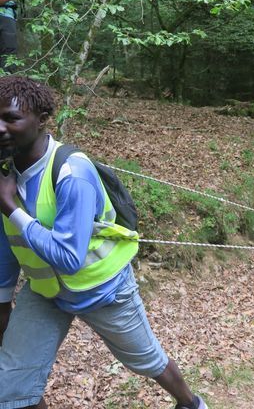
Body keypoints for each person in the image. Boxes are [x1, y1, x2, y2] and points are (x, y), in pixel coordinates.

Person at [0, 76, 207, 409]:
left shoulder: (71, 172)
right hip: (45, 293)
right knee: (11, 385)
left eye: (11, 118)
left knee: (147, 361)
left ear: (41, 120)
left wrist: (11, 207)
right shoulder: (6, 173)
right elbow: (7, 244)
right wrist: (3, 300)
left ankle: (191, 403)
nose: (0, 127)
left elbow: (68, 256)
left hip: (104, 291)